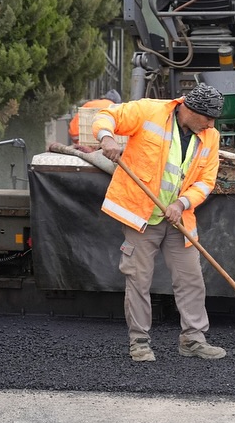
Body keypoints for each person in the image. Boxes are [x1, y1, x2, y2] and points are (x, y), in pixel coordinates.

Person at [93, 84, 227, 362]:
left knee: (191, 279)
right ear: (189, 110)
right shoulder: (149, 112)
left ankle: (193, 340)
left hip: (179, 219)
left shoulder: (210, 136)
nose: (211, 124)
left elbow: (206, 181)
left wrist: (181, 204)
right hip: (142, 216)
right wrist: (106, 138)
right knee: (138, 280)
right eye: (207, 117)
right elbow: (106, 115)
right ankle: (139, 342)